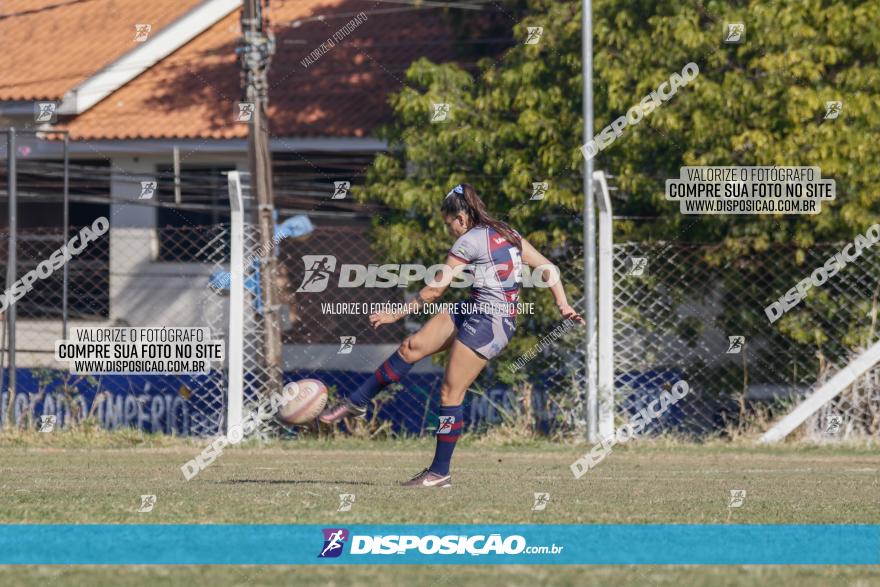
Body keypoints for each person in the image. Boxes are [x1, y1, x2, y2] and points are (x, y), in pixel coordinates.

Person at [319, 183, 584, 487]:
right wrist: (562, 304)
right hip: (474, 307)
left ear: (461, 217)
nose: (449, 231)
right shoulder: (505, 231)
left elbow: (433, 291)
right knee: (411, 347)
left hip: (491, 321)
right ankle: (357, 401)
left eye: (449, 224)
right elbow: (548, 267)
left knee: (450, 393)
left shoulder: (468, 241)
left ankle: (439, 472)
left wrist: (395, 314)